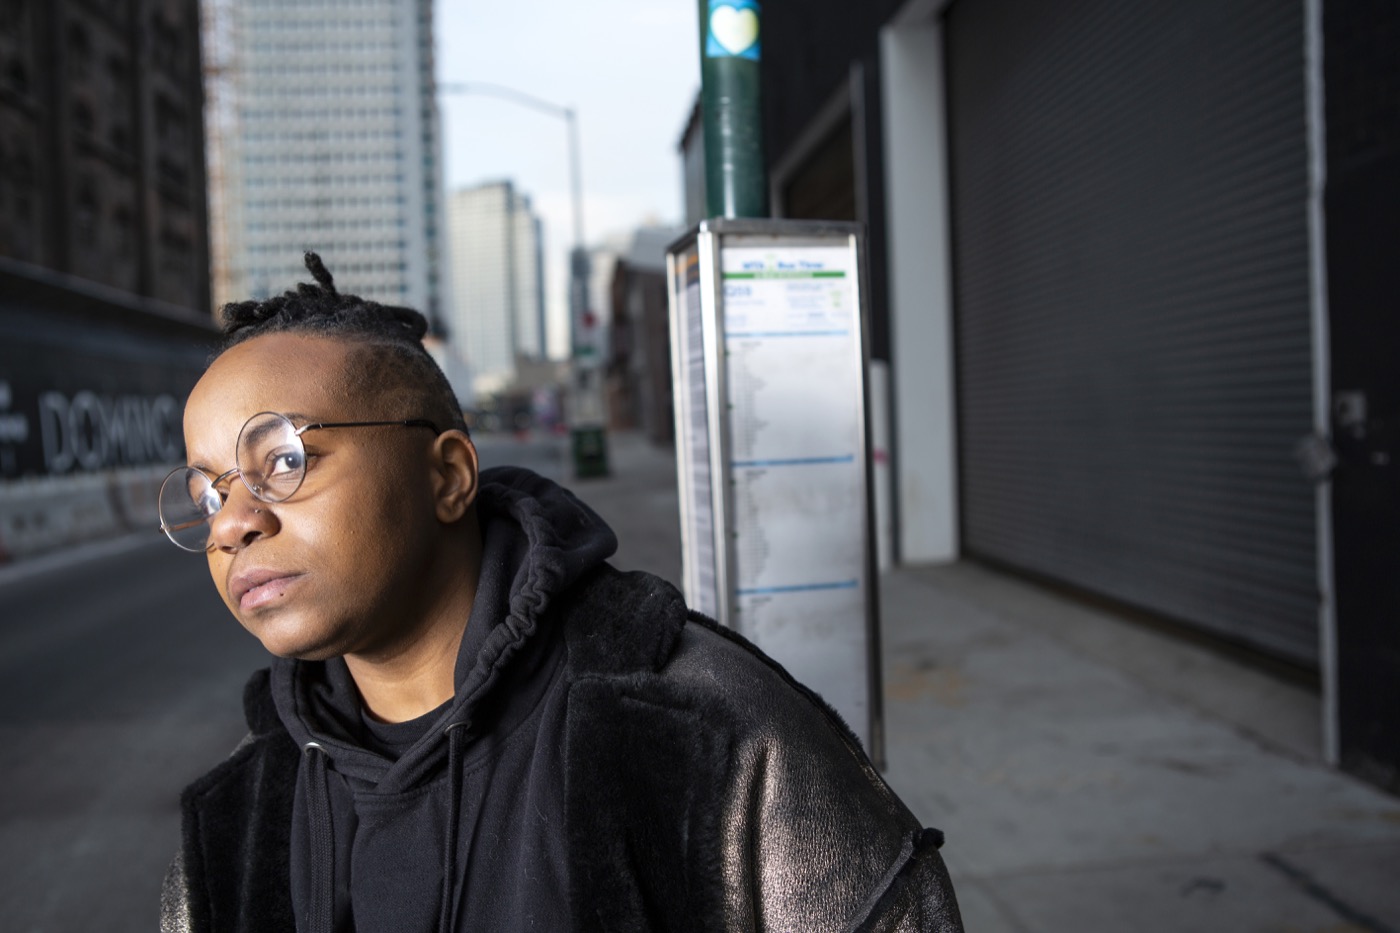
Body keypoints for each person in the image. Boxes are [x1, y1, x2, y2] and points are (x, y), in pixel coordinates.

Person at [159, 253, 963, 933]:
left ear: (446, 474)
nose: (232, 524)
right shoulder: (240, 809)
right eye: (207, 494)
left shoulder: (707, 733)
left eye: (283, 461)